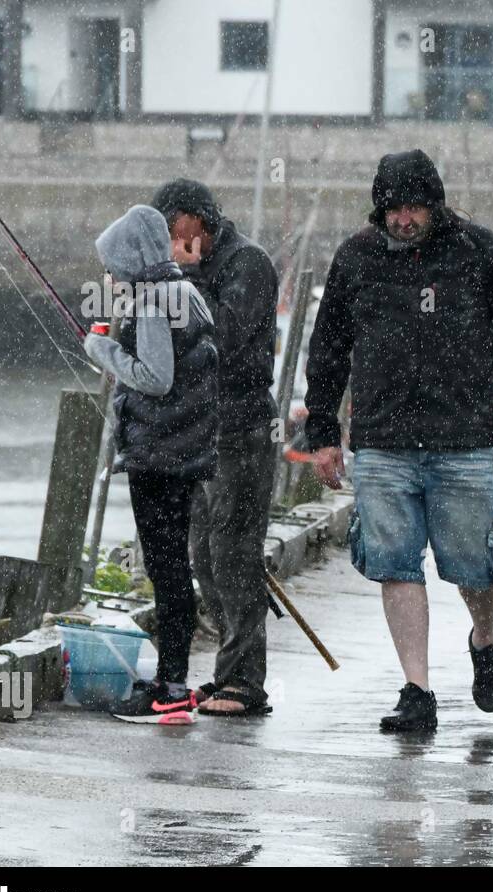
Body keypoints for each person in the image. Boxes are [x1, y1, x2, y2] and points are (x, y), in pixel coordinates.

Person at [303, 149, 493, 733]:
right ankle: (417, 690)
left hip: (462, 439)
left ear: (435, 206)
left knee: (474, 565)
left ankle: (484, 638)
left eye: (414, 208)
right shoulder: (356, 258)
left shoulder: (477, 251)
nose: (403, 220)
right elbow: (327, 351)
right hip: (383, 441)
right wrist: (323, 433)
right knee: (395, 564)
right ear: (379, 208)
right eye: (393, 209)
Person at [84, 205, 218, 723]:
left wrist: (103, 351)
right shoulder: (183, 291)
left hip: (161, 457)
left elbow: (157, 377)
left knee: (167, 572)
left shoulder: (156, 301)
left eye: (115, 266)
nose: (111, 277)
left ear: (135, 259)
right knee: (172, 569)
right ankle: (172, 680)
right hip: (181, 452)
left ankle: (172, 688)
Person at [151, 178, 279, 718]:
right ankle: (229, 671)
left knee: (233, 550)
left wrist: (182, 278)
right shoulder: (189, 272)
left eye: (175, 232)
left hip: (242, 428)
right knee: (203, 549)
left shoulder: (246, 264)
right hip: (199, 431)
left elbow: (220, 338)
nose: (171, 243)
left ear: (200, 221)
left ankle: (246, 681)